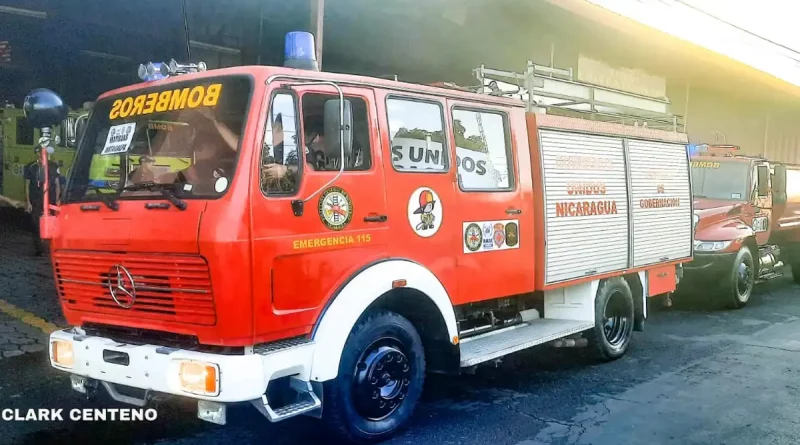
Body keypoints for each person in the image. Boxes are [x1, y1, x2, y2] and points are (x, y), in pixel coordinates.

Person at [24, 139, 60, 256]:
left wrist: (58, 199)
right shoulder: (30, 167)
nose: (42, 153)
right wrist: (28, 202)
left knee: (53, 223)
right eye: (40, 151)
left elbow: (57, 183)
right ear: (37, 153)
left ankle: (52, 247)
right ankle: (39, 249)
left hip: (51, 199)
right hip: (36, 199)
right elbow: (27, 185)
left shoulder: (54, 166)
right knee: (35, 224)